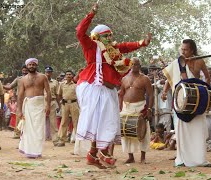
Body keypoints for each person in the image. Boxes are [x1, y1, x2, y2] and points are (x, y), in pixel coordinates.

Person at [75, 2, 152, 169]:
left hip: (109, 89)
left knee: (108, 122)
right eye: (105, 36)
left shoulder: (114, 50)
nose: (109, 38)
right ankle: (103, 152)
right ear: (97, 37)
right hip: (93, 86)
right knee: (99, 121)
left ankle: (93, 154)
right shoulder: (91, 46)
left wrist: (142, 43)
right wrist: (91, 13)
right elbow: (80, 32)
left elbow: (126, 46)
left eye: (110, 35)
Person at [161, 39, 211, 167]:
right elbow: (170, 78)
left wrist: (205, 90)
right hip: (181, 100)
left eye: (185, 49)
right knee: (181, 130)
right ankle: (182, 159)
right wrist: (164, 91)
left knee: (197, 130)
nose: (182, 51)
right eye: (182, 49)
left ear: (192, 50)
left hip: (196, 100)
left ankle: (199, 159)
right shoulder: (176, 62)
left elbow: (206, 76)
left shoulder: (199, 61)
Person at [119, 57, 153, 164]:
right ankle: (130, 156)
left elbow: (151, 95)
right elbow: (121, 94)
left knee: (143, 131)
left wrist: (149, 109)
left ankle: (143, 157)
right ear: (130, 65)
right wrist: (120, 107)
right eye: (133, 64)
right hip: (126, 107)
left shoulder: (145, 78)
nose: (135, 66)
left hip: (140, 106)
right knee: (126, 132)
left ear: (140, 65)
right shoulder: (124, 79)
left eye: (137, 64)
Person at [17, 58, 51, 158]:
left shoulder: (43, 77)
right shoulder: (22, 79)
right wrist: (19, 110)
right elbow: (20, 95)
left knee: (39, 129)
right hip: (28, 105)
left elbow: (48, 92)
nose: (31, 66)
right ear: (26, 66)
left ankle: (37, 151)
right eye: (30, 64)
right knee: (28, 129)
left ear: (36, 65)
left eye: (33, 64)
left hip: (40, 105)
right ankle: (29, 151)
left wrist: (48, 105)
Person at [4, 64, 28, 139]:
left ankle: (27, 134)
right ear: (21, 71)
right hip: (20, 100)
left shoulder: (33, 78)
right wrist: (1, 85)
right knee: (18, 116)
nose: (24, 72)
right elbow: (10, 86)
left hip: (29, 100)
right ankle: (17, 134)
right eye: (23, 70)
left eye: (26, 70)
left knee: (28, 117)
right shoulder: (18, 79)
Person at [56, 70, 80, 147]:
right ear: (65, 76)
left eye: (70, 74)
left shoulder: (76, 85)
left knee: (76, 122)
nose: (68, 76)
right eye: (67, 74)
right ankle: (62, 140)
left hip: (74, 104)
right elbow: (59, 94)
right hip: (65, 104)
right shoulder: (62, 84)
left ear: (72, 76)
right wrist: (60, 102)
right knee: (64, 122)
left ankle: (78, 141)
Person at [44, 66, 61, 146]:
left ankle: (55, 140)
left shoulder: (55, 82)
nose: (48, 73)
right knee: (39, 121)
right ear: (45, 72)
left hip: (52, 102)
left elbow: (57, 94)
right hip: (42, 102)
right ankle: (37, 140)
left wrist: (59, 105)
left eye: (49, 72)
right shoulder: (41, 81)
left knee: (53, 122)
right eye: (47, 72)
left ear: (51, 73)